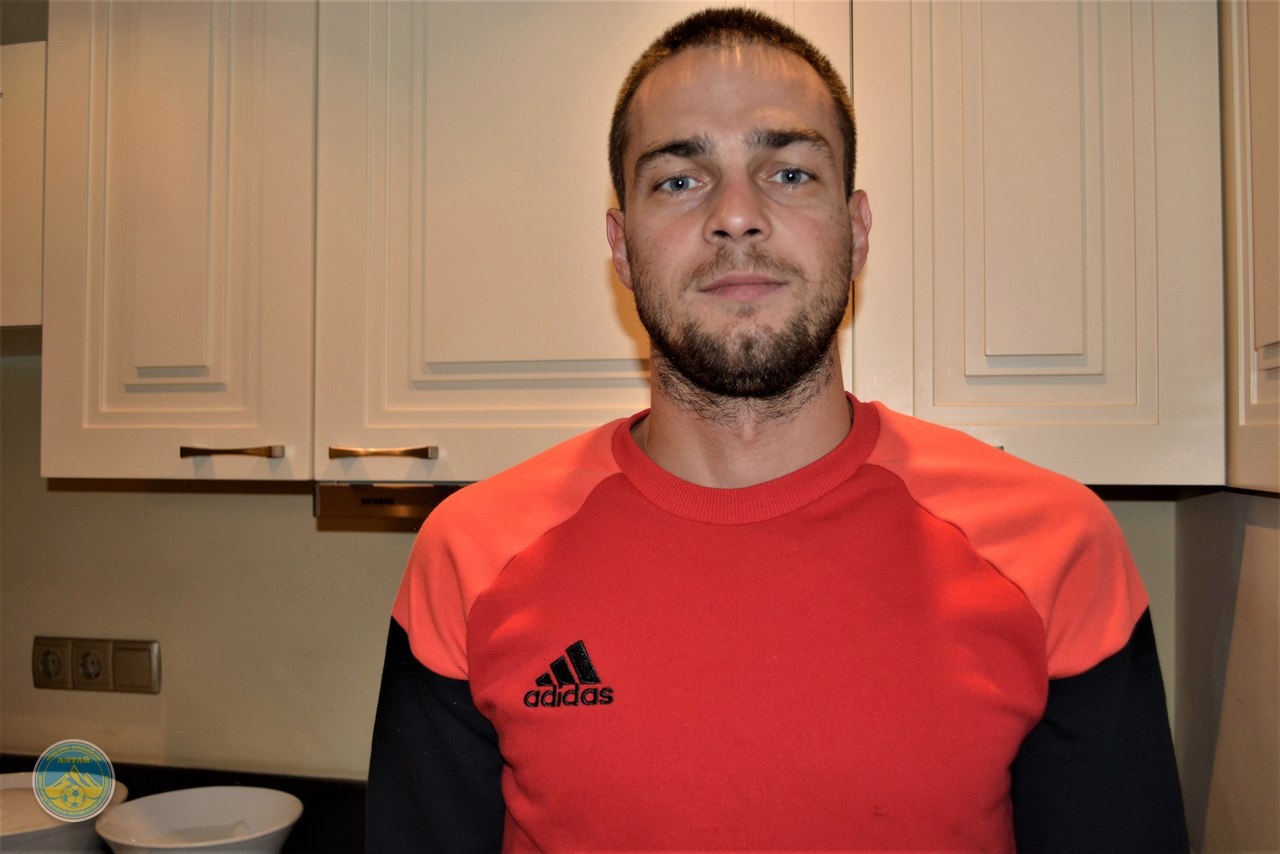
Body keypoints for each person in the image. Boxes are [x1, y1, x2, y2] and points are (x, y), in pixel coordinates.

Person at [367, 8, 1188, 852]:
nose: (736, 215)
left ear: (857, 232)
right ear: (621, 247)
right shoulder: (471, 558)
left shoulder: (1055, 549)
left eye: (789, 173)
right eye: (679, 180)